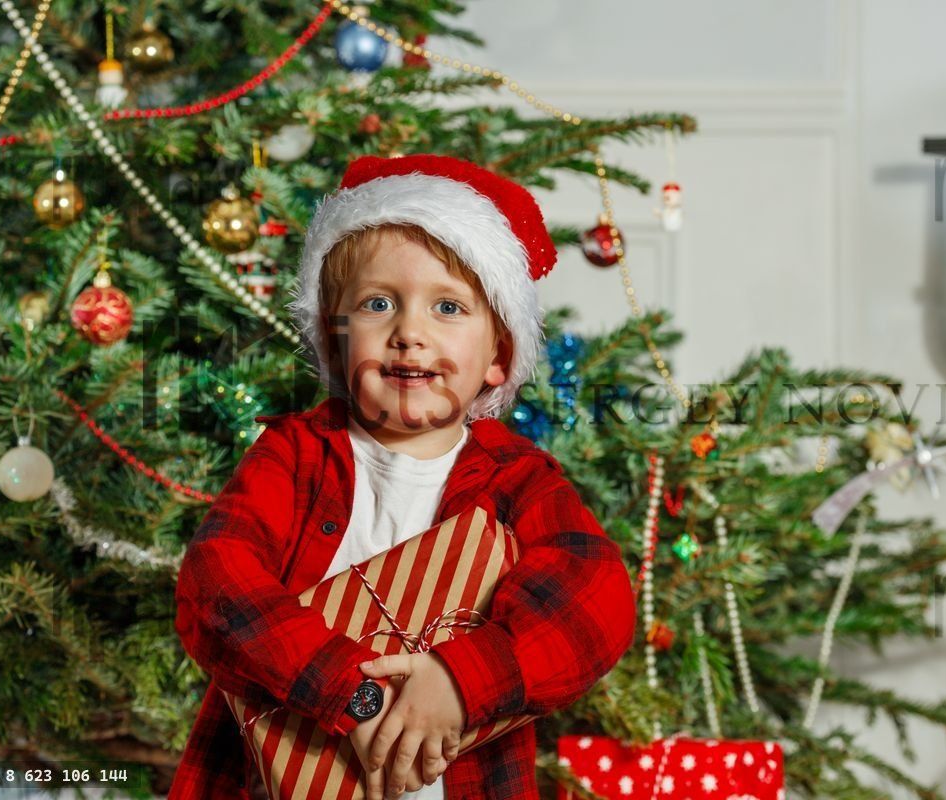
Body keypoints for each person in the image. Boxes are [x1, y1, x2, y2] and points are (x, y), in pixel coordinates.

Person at [169, 154, 637, 799]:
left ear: (498, 357)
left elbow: (597, 598)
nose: (409, 333)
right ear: (334, 343)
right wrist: (350, 691)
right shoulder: (293, 456)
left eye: (448, 307)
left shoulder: (517, 482)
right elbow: (216, 585)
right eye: (378, 303)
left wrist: (462, 680)